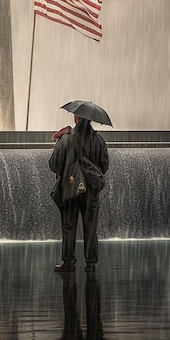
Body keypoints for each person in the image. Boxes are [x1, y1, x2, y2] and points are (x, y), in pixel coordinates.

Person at [49, 115, 109, 273]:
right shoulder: (99, 140)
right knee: (91, 227)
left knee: (68, 226)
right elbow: (104, 165)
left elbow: (54, 165)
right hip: (91, 190)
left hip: (70, 189)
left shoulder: (65, 139)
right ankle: (90, 264)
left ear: (76, 119)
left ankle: (68, 262)